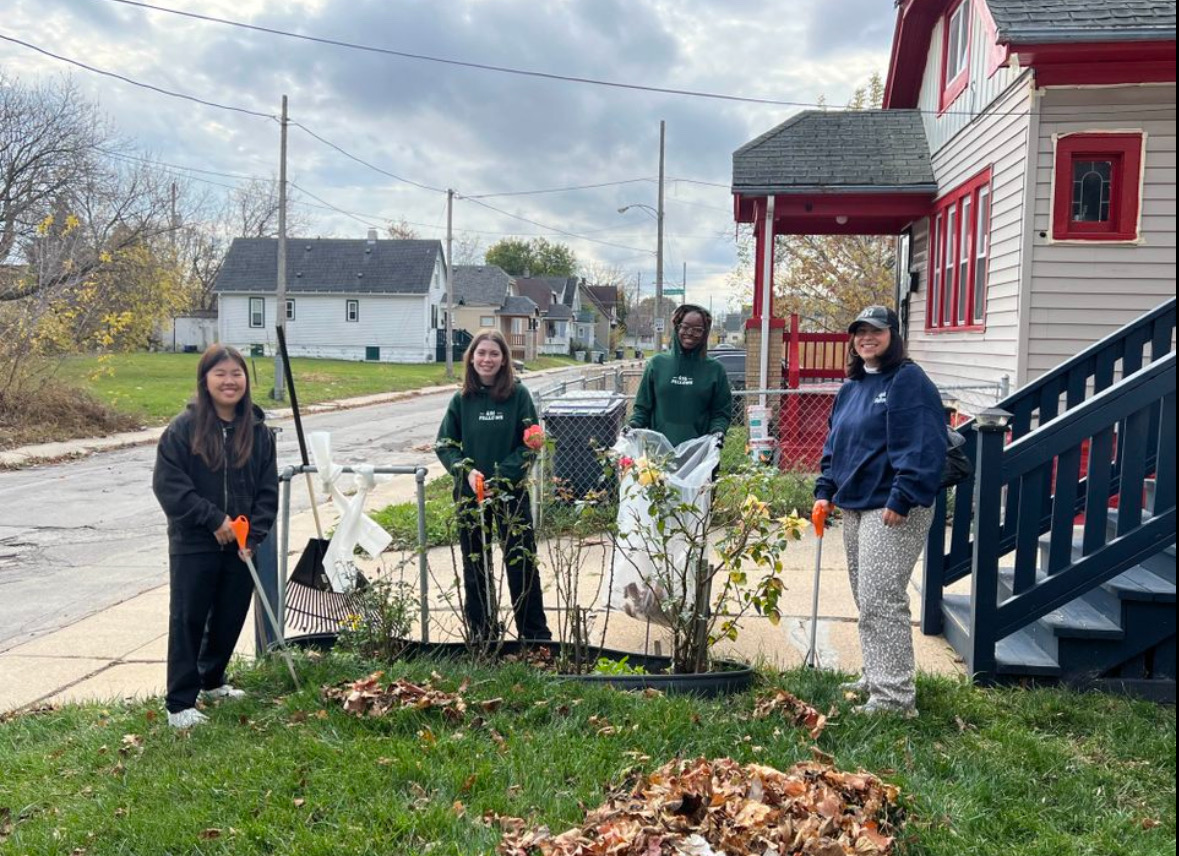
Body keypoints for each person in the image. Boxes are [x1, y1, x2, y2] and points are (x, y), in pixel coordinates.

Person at [813, 306, 947, 718]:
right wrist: (825, 490)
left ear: (893, 335)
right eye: (860, 332)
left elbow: (924, 444)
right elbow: (835, 444)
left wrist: (902, 497)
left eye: (876, 331)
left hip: (892, 506)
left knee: (881, 599)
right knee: (866, 597)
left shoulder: (908, 381)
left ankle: (894, 699)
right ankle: (877, 676)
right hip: (854, 504)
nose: (867, 338)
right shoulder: (852, 387)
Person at [152, 345, 278, 729]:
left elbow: (267, 490)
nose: (229, 381)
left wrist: (253, 535)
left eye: (236, 374)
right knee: (189, 618)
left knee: (228, 615)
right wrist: (213, 519)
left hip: (241, 545)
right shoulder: (182, 430)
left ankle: (211, 680)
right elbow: (170, 486)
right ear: (205, 380)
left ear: (245, 380)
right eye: (220, 374)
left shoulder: (257, 432)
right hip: (195, 541)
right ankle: (180, 703)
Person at [435, 330, 552, 642]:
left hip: (510, 494)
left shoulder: (519, 396)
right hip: (470, 495)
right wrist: (467, 472)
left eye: (494, 354)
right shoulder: (461, 400)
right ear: (471, 358)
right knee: (475, 566)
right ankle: (483, 633)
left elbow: (533, 443)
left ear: (504, 360)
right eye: (481, 353)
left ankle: (534, 635)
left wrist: (501, 477)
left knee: (521, 562)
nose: (487, 359)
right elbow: (445, 445)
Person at [628, 304, 732, 447]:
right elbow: (642, 409)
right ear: (677, 327)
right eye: (685, 327)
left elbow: (721, 413)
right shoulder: (657, 364)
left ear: (705, 334)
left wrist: (718, 431)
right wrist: (633, 425)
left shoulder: (715, 370)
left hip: (699, 454)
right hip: (659, 455)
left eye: (698, 330)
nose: (690, 333)